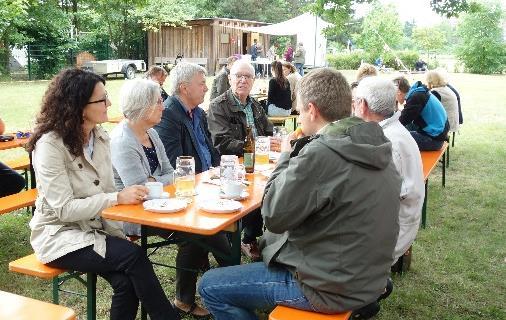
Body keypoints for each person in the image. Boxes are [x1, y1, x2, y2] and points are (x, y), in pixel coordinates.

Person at [199, 68, 401, 320]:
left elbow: (273, 215)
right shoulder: (374, 142)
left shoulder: (323, 152)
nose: (299, 116)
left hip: (329, 288)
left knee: (210, 286)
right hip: (369, 274)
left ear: (312, 110)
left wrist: (285, 157)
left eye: (300, 109)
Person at [26, 68, 179, 320]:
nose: (109, 103)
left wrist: (117, 233)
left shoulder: (100, 137)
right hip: (58, 235)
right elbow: (64, 209)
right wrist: (117, 199)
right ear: (79, 106)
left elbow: (105, 191)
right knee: (133, 257)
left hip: (92, 230)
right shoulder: (50, 146)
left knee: (126, 282)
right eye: (101, 99)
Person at [207, 60, 277, 261]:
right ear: (229, 78)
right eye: (239, 76)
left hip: (259, 162)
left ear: (253, 81)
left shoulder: (255, 105)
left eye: (248, 77)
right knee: (259, 188)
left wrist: (273, 142)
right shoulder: (218, 106)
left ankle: (252, 236)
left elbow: (270, 131)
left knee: (273, 184)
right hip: (232, 165)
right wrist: (255, 148)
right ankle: (244, 237)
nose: (243, 80)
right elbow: (222, 142)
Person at [353, 76, 424, 268]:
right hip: (399, 220)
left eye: (354, 101)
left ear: (362, 105)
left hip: (392, 232)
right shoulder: (392, 131)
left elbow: (372, 202)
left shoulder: (386, 141)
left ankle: (365, 286)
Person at [110, 79, 174, 237]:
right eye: (158, 102)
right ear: (143, 105)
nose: (163, 107)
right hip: (133, 215)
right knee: (195, 225)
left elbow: (173, 173)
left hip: (160, 204)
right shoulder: (122, 141)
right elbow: (140, 190)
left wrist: (152, 180)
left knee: (205, 221)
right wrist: (157, 182)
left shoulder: (151, 133)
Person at [155, 62, 220, 173]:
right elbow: (175, 166)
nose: (206, 88)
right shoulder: (167, 115)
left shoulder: (198, 112)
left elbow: (211, 151)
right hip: (191, 185)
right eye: (202, 84)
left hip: (210, 179)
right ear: (184, 88)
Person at [393, 76, 449, 151]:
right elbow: (407, 116)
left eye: (393, 94)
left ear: (398, 92)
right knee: (405, 129)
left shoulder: (416, 98)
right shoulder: (417, 92)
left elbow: (401, 121)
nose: (394, 98)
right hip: (438, 134)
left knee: (394, 137)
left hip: (434, 140)